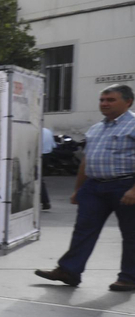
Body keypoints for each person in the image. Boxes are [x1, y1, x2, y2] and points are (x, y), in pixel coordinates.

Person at [36, 85, 135, 292]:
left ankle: (129, 277)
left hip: (125, 185)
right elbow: (86, 162)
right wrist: (78, 189)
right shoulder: (96, 128)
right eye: (102, 100)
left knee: (131, 234)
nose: (104, 104)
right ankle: (69, 271)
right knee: (83, 230)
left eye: (110, 100)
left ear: (128, 102)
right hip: (94, 187)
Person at [40, 126, 55, 211]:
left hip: (39, 155)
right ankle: (44, 201)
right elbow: (53, 145)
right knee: (40, 179)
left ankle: (45, 201)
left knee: (38, 180)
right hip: (47, 156)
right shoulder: (48, 131)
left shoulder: (35, 130)